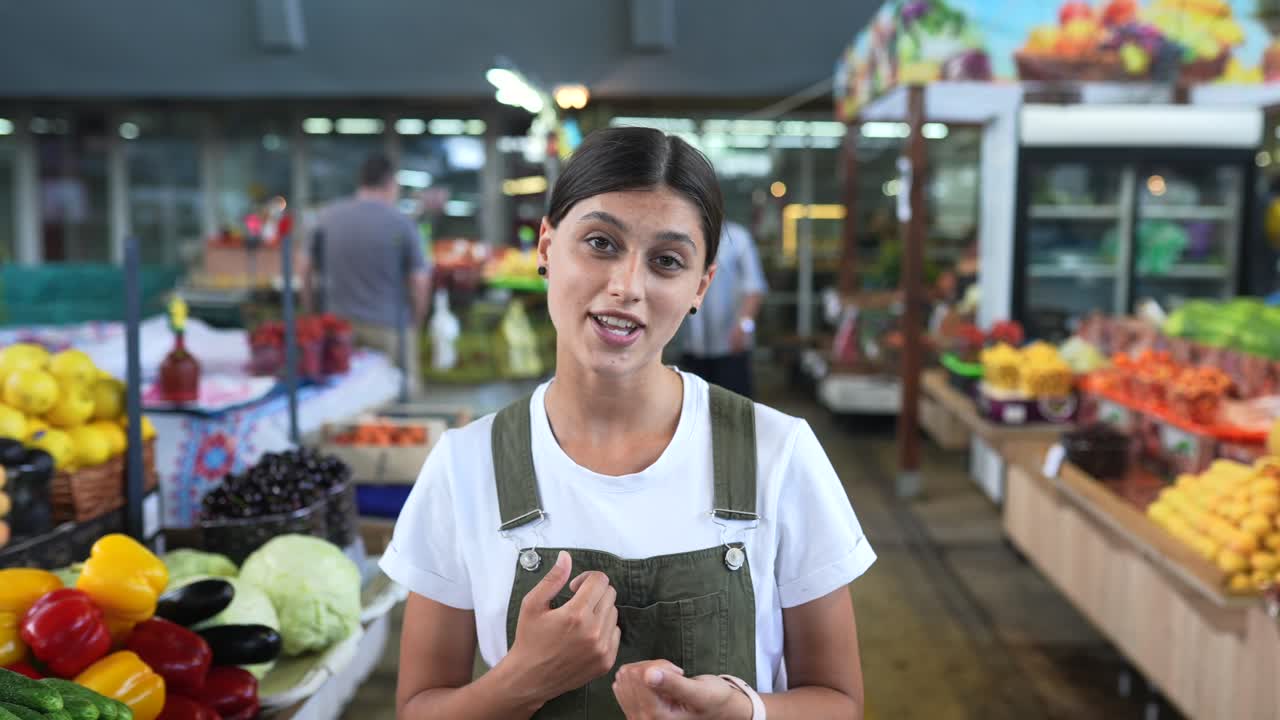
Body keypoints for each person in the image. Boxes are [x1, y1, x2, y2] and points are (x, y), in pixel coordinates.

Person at [381, 127, 875, 720]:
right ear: (545, 246)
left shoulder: (779, 452)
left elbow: (839, 702)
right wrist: (520, 681)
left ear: (701, 286)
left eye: (667, 261)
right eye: (600, 242)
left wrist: (743, 712)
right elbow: (418, 707)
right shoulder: (466, 465)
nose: (626, 286)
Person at [301, 153, 431, 393]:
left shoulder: (328, 218)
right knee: (399, 406)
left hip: (338, 328)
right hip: (389, 329)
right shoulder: (401, 223)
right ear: (391, 184)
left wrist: (312, 312)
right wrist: (416, 319)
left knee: (344, 400)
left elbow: (305, 268)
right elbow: (419, 281)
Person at [678, 219, 767, 399]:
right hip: (693, 345)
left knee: (734, 404)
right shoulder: (684, 233)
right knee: (695, 405)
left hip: (731, 345)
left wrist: (744, 326)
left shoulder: (738, 237)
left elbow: (755, 288)